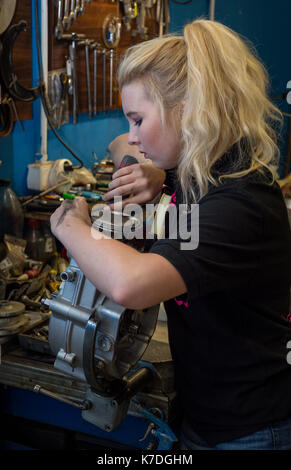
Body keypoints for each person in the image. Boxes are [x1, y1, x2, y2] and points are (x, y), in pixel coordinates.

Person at [50, 19, 291, 450]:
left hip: (251, 428)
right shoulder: (201, 171)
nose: (134, 136)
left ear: (188, 110)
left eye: (140, 120)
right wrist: (156, 173)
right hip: (204, 409)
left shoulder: (240, 202)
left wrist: (71, 225)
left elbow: (131, 285)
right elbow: (119, 147)